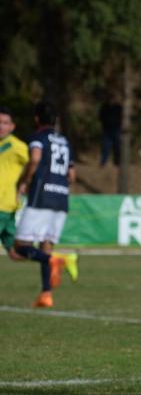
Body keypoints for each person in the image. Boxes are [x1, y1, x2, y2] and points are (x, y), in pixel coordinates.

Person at [13, 102, 79, 308]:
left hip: (41, 196)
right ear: (56, 120)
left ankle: (60, 261)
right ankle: (46, 294)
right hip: (61, 198)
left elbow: (35, 159)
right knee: (46, 246)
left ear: (36, 119)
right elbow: (72, 176)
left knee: (20, 247)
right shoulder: (65, 142)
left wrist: (23, 181)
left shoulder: (38, 138)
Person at [0, 107, 30, 261]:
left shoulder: (18, 146)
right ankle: (57, 260)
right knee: (15, 253)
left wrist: (25, 183)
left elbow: (34, 165)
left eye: (5, 123)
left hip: (4, 205)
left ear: (12, 126)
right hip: (7, 209)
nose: (1, 126)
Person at [98, 92, 122, 166]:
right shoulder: (104, 107)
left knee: (117, 147)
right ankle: (103, 162)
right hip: (106, 130)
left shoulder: (118, 107)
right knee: (105, 147)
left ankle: (117, 162)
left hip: (116, 129)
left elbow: (122, 117)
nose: (111, 100)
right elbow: (100, 117)